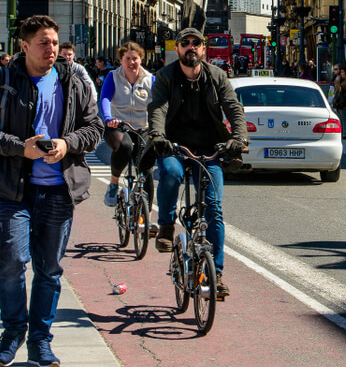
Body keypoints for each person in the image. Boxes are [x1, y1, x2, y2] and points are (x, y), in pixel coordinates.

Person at [0, 15, 102, 367]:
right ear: (25, 46)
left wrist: (67, 142)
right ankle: (14, 332)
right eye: (43, 43)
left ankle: (41, 341)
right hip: (14, 189)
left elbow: (94, 128)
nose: (51, 49)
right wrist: (19, 148)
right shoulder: (0, 81)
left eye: (55, 43)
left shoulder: (73, 80)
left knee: (49, 269)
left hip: (59, 190)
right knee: (11, 261)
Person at [148, 28, 247, 300]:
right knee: (170, 173)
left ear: (204, 49)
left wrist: (238, 137)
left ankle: (217, 273)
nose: (191, 47)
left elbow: (233, 107)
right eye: (185, 43)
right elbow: (158, 108)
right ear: (177, 49)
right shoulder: (166, 76)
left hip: (209, 149)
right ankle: (166, 225)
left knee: (213, 208)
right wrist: (158, 135)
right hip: (174, 145)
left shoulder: (217, 76)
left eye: (196, 43)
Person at [99, 41, 155, 207]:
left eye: (135, 58)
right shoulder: (113, 77)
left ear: (141, 59)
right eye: (127, 59)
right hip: (118, 126)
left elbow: (159, 104)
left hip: (142, 127)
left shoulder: (150, 80)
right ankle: (114, 182)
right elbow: (105, 98)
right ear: (121, 61)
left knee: (146, 170)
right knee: (125, 146)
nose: (131, 62)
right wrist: (109, 118)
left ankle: (146, 219)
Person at [59, 42, 97, 110]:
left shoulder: (79, 69)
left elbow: (89, 83)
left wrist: (94, 97)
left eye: (69, 54)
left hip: (75, 101)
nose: (67, 57)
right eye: (64, 54)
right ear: (59, 54)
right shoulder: (54, 69)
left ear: (73, 55)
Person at [332, 65, 346, 138]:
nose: (341, 73)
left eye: (342, 72)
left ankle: (345, 134)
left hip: (344, 101)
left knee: (344, 118)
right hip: (341, 100)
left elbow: (339, 88)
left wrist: (337, 80)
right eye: (340, 72)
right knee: (341, 118)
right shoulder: (343, 79)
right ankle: (343, 133)